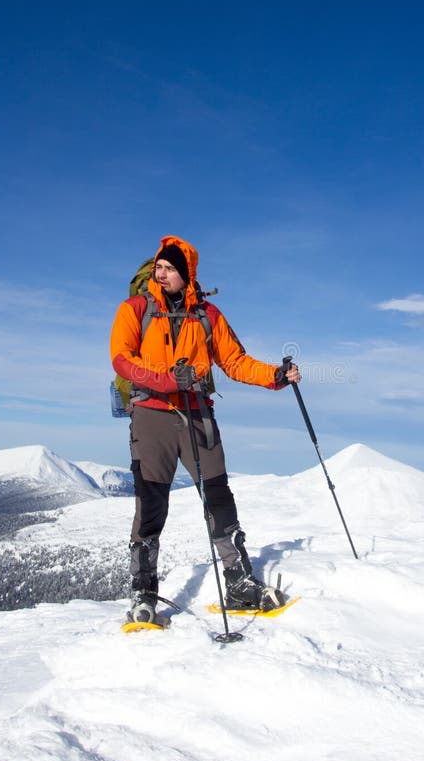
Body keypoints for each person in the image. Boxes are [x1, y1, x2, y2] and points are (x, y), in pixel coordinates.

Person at [109, 235, 300, 623]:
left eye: (169, 269)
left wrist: (275, 376)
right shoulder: (135, 308)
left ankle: (238, 581)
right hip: (151, 415)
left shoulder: (208, 315)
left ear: (186, 275)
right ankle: (143, 592)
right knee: (151, 504)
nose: (160, 274)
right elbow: (121, 358)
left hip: (197, 414)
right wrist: (165, 381)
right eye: (158, 267)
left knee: (218, 496)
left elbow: (235, 361)